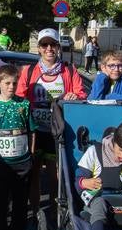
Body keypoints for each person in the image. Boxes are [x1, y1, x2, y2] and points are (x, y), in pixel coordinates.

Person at [16, 28, 86, 214]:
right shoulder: (29, 71)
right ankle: (36, 213)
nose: (49, 48)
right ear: (39, 48)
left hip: (59, 131)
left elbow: (81, 94)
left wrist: (74, 96)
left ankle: (57, 214)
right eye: (44, 45)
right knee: (34, 174)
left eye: (53, 44)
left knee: (57, 175)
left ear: (58, 47)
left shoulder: (69, 71)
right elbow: (18, 98)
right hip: (35, 131)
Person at [0, 64, 33, 230]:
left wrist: (31, 155)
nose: (11, 87)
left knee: (20, 200)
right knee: (1, 200)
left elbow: (32, 131)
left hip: (23, 161)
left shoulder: (24, 104)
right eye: (7, 83)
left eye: (14, 83)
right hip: (2, 163)